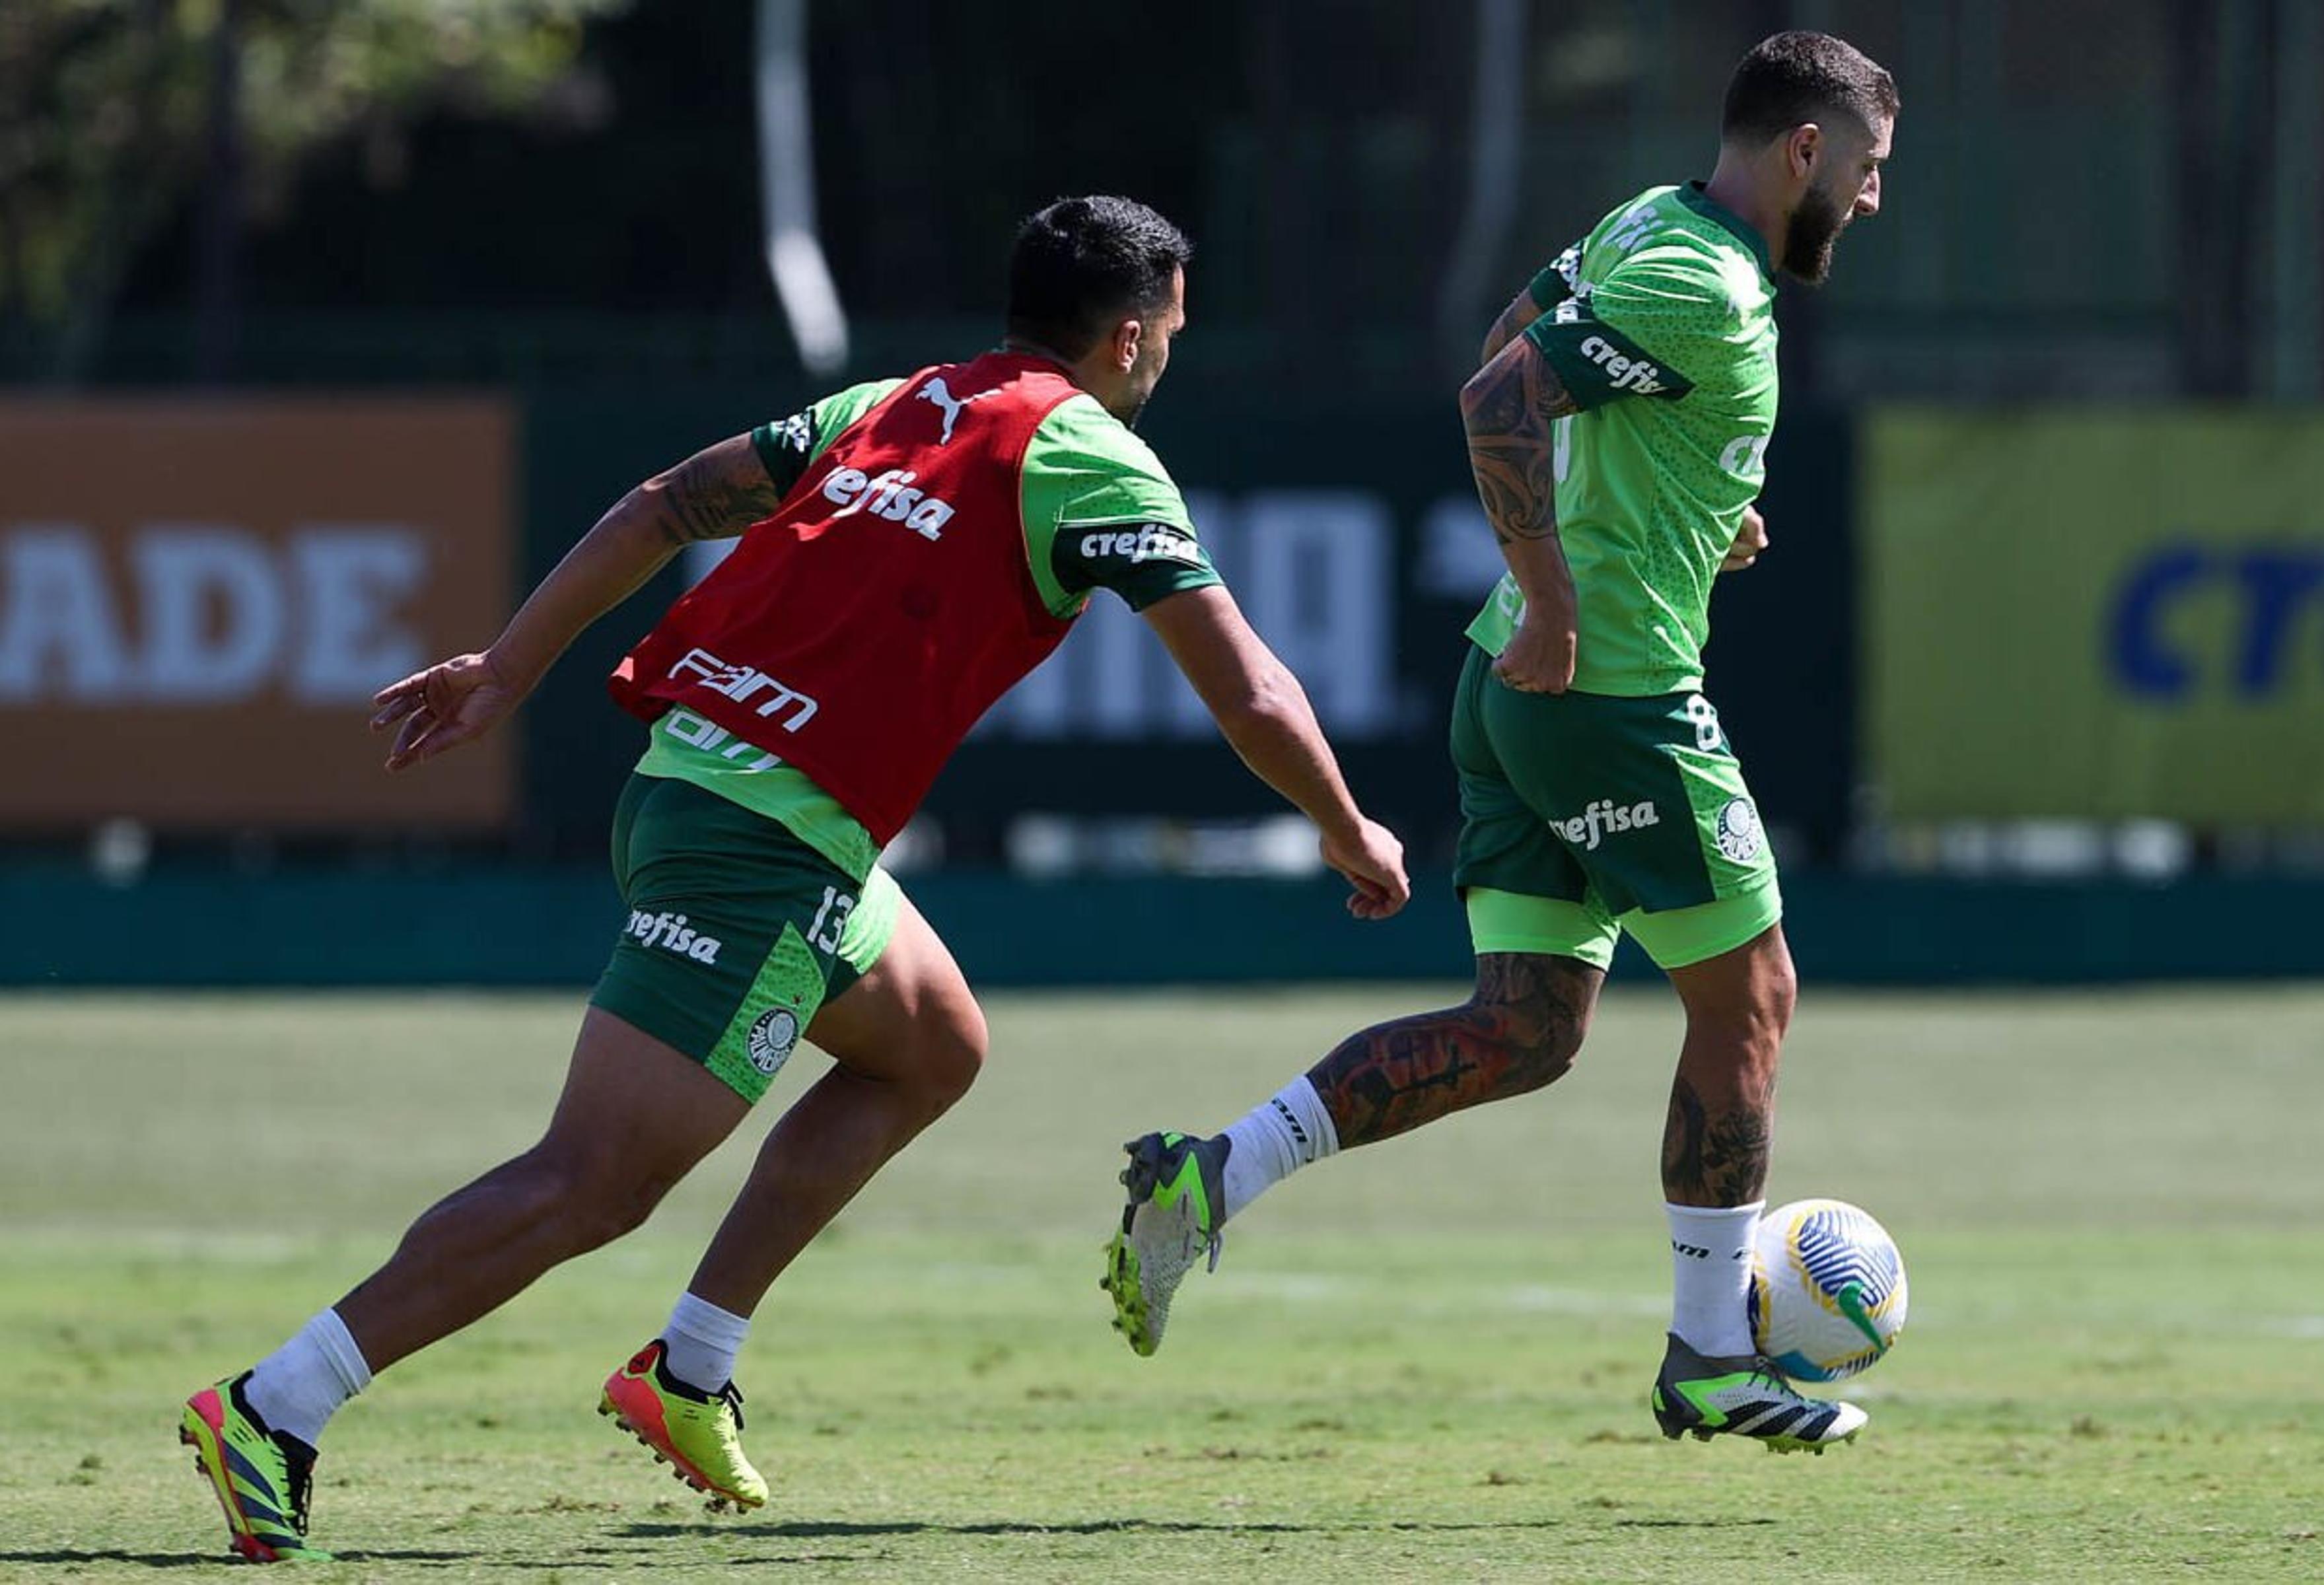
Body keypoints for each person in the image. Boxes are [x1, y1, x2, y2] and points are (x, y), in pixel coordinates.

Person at [178, 194, 1411, 1564]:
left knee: (932, 1046)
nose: (1171, 354)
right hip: (755, 846)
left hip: (721, 799)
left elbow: (664, 505)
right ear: (1129, 338)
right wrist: (1348, 827)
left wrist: (509, 669)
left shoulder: (902, 403)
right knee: (593, 1182)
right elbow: (1247, 686)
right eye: (1173, 330)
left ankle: (690, 1368)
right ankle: (275, 1403)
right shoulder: (1096, 460)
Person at [1102, 32, 1896, 1454]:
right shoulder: (1700, 279)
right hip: (1611, 698)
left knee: (1523, 1034)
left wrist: (1691, 505)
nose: (1875, 200)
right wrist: (1552, 591)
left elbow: (1503, 348)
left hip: (1518, 692)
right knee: (1753, 997)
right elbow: (1498, 400)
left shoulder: (1646, 222)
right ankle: (1714, 1357)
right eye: (1872, 169)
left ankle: (1210, 1179)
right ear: (1807, 153)